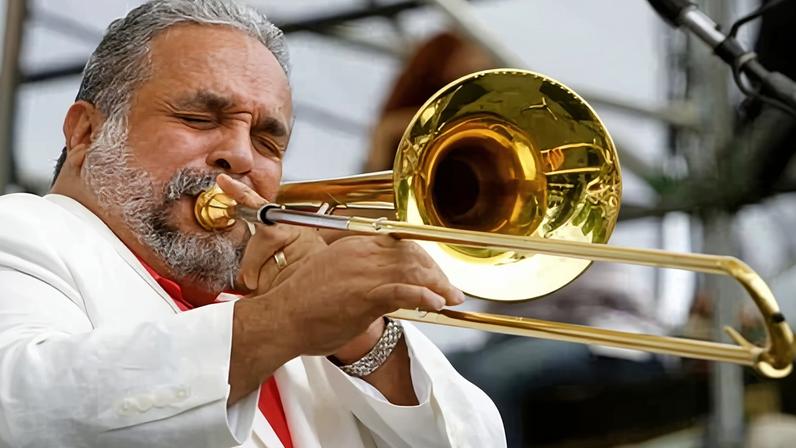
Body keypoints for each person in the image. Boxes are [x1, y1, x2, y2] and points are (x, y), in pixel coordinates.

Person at [0, 1, 504, 447]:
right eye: (199, 119)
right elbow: (21, 405)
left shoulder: (294, 307)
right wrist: (283, 320)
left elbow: (478, 439)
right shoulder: (21, 229)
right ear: (86, 132)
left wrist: (367, 341)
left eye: (267, 141)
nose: (241, 156)